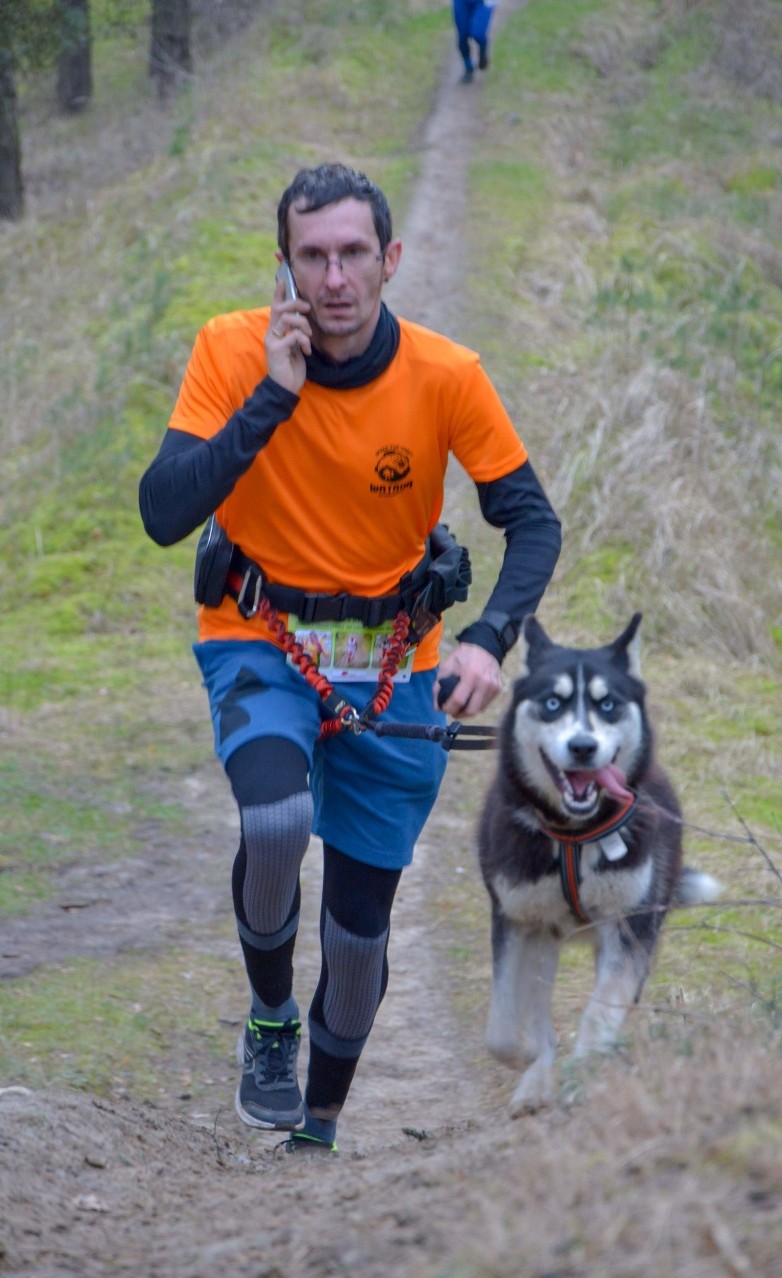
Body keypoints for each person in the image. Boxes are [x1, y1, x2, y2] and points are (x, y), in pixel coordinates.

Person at [139, 162, 561, 1154]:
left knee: (363, 932)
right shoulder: (230, 350)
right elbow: (164, 512)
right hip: (259, 642)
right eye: (313, 256)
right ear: (284, 266)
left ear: (390, 259)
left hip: (395, 666)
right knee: (277, 819)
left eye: (353, 254)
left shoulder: (446, 375)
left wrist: (490, 639)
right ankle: (271, 1021)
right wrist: (271, 401)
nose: (334, 278)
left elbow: (531, 522)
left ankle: (320, 1123)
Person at [453, 0, 497, 83]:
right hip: (461, 2)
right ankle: (468, 68)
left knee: (478, 33)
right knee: (462, 35)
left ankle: (483, 53)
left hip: (483, 2)